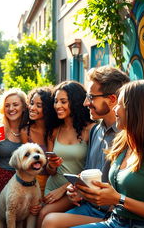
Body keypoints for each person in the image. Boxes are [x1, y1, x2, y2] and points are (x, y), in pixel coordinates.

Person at [42, 66, 130, 228]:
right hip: (90, 207)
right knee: (47, 218)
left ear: (111, 100)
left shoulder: (127, 135)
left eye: (90, 97)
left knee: (49, 221)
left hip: (113, 212)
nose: (85, 103)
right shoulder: (96, 129)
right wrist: (76, 189)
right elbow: (88, 171)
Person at [68, 80, 144, 227]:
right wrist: (85, 191)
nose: (114, 109)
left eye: (120, 104)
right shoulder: (122, 142)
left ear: (134, 110)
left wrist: (118, 199)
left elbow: (117, 198)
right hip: (115, 221)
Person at [37, 81, 94, 228]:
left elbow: (91, 168)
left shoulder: (91, 129)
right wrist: (51, 165)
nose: (57, 106)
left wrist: (62, 190)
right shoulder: (54, 130)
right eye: (56, 101)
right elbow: (51, 171)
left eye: (63, 101)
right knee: (39, 214)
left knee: (45, 214)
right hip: (52, 187)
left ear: (75, 102)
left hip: (74, 189)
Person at [0, 88, 27, 214]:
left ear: (24, 107)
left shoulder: (29, 128)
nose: (11, 109)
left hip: (23, 179)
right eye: (7, 105)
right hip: (1, 178)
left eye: (15, 105)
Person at [20, 86, 58, 196]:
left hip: (54, 182)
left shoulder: (55, 131)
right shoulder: (25, 131)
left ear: (47, 109)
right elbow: (27, 163)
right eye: (31, 103)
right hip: (33, 182)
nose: (32, 108)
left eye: (39, 105)